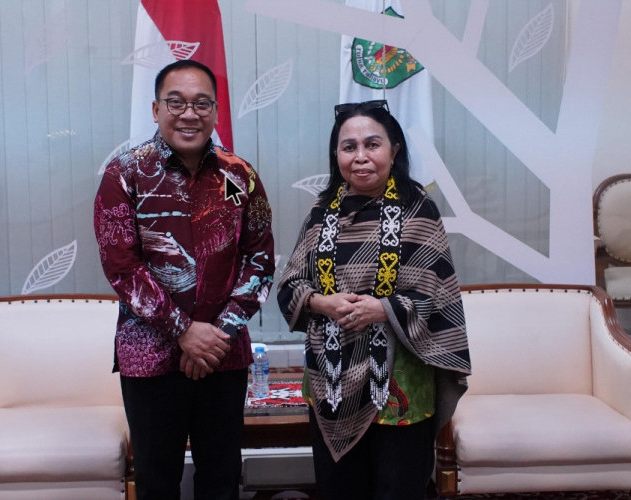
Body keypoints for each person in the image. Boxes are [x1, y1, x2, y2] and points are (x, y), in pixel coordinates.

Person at [93, 59, 275, 500]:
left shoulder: (239, 176)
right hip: (150, 355)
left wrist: (217, 334)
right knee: (156, 481)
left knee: (222, 478)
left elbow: (259, 259)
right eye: (176, 103)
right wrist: (184, 331)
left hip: (222, 354)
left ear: (215, 112)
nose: (189, 114)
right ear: (156, 109)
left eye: (201, 103)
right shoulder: (125, 174)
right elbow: (122, 268)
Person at [277, 100, 471, 500]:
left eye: (372, 144)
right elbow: (290, 285)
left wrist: (381, 309)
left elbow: (434, 295)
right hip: (332, 379)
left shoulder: (419, 210)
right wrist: (322, 303)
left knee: (399, 487)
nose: (360, 157)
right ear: (336, 155)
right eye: (349, 147)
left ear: (393, 151)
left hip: (400, 382)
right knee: (339, 489)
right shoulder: (321, 212)